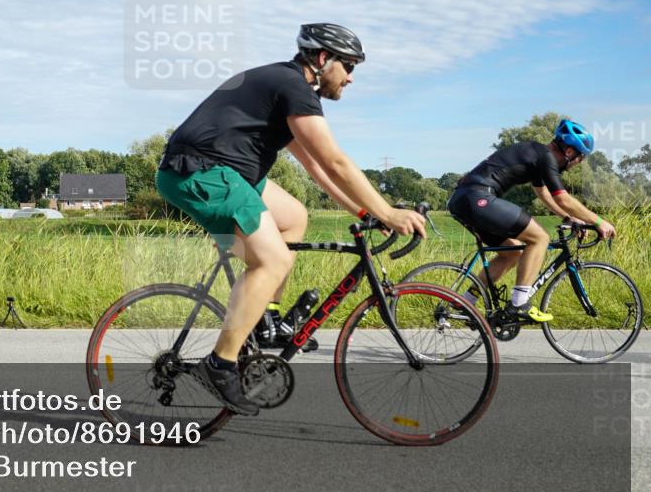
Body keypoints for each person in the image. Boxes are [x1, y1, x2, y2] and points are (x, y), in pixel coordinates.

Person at [155, 23, 425, 416]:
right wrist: (387, 211)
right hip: (202, 170)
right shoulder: (294, 86)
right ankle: (220, 364)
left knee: (295, 216)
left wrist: (365, 212)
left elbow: (318, 169)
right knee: (274, 259)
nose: (350, 78)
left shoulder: (286, 90)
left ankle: (267, 320)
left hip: (228, 171)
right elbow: (336, 160)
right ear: (321, 59)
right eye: (347, 66)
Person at [447, 119, 617, 323]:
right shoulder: (546, 157)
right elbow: (562, 197)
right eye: (580, 158)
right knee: (539, 238)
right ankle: (519, 303)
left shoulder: (538, 155)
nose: (577, 164)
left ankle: (464, 301)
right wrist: (599, 221)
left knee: (514, 251)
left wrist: (568, 217)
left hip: (464, 200)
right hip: (478, 197)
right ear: (570, 152)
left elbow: (542, 192)